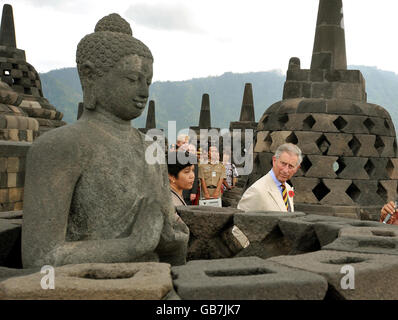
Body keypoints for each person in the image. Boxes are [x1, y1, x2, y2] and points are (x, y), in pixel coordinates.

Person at [21, 13, 188, 268]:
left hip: (157, 286)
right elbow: (40, 259)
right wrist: (133, 245)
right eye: (132, 80)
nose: (143, 92)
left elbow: (171, 250)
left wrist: (173, 242)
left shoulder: (151, 149)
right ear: (90, 76)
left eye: (148, 82)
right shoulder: (60, 147)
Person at [237, 143, 302, 212]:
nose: (285, 170)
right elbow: (241, 220)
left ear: (297, 168)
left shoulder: (287, 188)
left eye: (291, 166)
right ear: (274, 161)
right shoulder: (257, 190)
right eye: (283, 164)